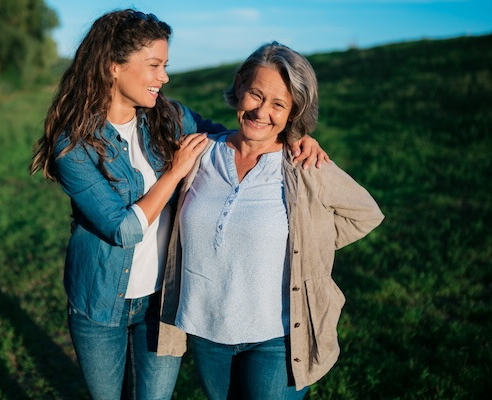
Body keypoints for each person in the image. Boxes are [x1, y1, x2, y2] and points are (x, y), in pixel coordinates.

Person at [29, 9, 329, 399]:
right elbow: (123, 229)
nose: (164, 77)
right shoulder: (74, 145)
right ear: (113, 67)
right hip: (99, 303)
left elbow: (236, 138)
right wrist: (174, 173)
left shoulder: (168, 118)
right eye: (154, 66)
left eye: (165, 65)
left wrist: (294, 138)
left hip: (161, 301)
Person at [157, 42, 385, 399]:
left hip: (276, 336)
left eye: (279, 104)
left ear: (294, 112)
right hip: (206, 327)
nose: (262, 111)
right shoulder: (200, 153)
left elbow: (366, 214)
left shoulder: (302, 164)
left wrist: (309, 239)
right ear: (239, 88)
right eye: (255, 95)